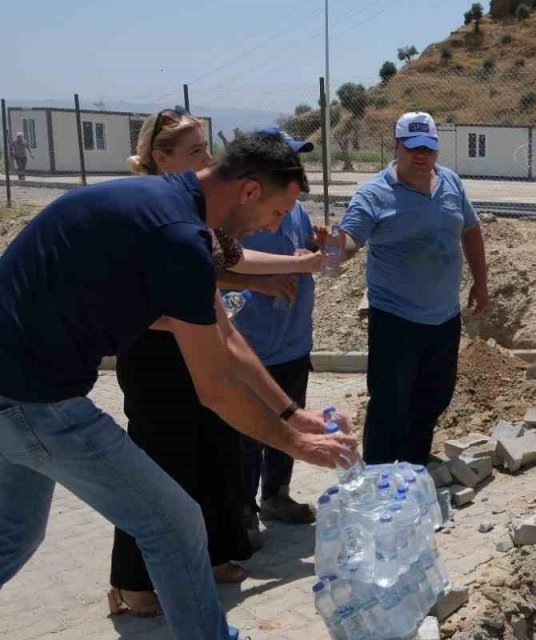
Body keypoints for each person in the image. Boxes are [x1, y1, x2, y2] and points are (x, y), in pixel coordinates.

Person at [0, 131, 359, 640]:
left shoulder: (169, 210)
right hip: (35, 399)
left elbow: (226, 336)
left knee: (13, 534)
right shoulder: (177, 235)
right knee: (174, 522)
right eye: (278, 212)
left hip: (17, 388)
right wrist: (298, 445)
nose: (274, 226)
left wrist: (292, 416)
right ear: (251, 191)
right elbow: (215, 387)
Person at [107, 110, 324, 617]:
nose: (209, 160)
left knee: (212, 453)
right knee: (160, 464)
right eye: (195, 151)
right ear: (159, 158)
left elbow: (230, 264)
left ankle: (210, 553)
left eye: (208, 148)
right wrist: (293, 435)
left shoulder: (197, 217)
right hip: (155, 355)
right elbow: (208, 289)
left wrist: (301, 263)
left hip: (197, 334)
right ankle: (129, 581)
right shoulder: (160, 217)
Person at [327, 112, 489, 466]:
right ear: (396, 146)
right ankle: (381, 473)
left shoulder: (451, 183)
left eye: (428, 148)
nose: (421, 156)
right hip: (395, 317)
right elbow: (352, 238)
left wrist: (481, 280)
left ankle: (414, 464)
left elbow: (470, 230)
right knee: (389, 401)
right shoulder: (373, 193)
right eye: (412, 147)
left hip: (444, 315)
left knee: (435, 396)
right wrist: (337, 246)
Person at [234, 128, 325, 542]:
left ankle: (276, 494)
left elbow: (301, 252)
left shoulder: (296, 209)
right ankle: (243, 510)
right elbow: (226, 272)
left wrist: (312, 250)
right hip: (254, 345)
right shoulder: (241, 216)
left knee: (290, 427)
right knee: (249, 433)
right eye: (288, 160)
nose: (296, 167)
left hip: (293, 341)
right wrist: (264, 280)